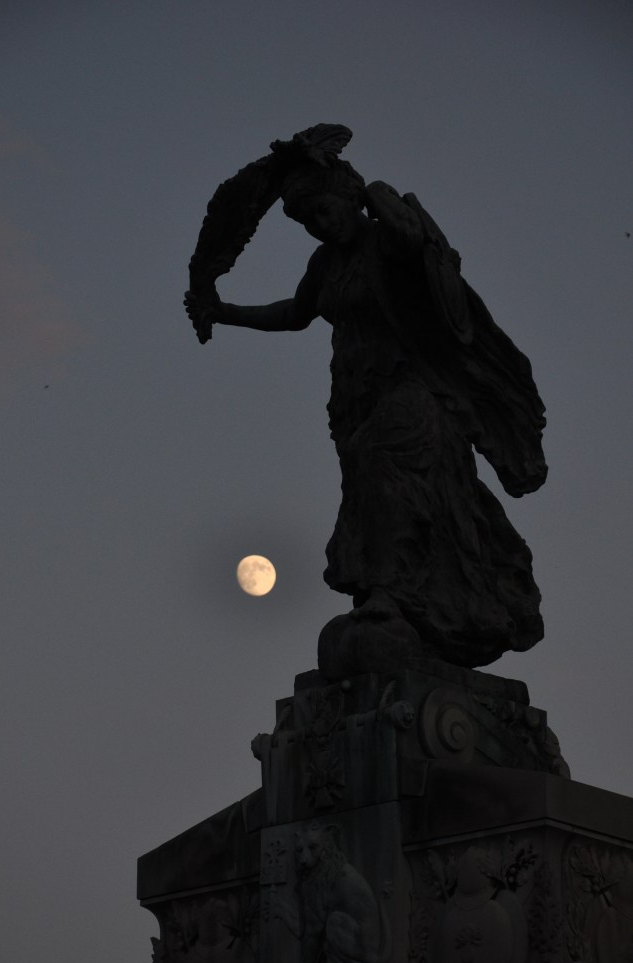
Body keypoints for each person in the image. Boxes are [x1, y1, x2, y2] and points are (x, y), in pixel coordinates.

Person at [185, 125, 547, 671]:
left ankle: (387, 589)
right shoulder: (325, 265)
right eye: (307, 221)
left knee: (380, 461)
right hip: (357, 397)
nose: (318, 225)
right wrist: (226, 311)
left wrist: (374, 191)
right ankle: (408, 598)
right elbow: (295, 314)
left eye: (322, 210)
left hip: (418, 387)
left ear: (346, 194)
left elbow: (412, 238)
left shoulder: (386, 239)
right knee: (380, 482)